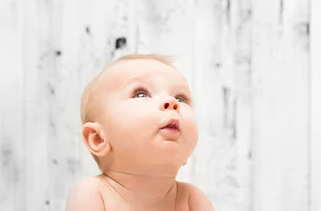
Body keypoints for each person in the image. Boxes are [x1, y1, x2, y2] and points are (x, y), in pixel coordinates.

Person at [65, 54, 215, 210]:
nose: (172, 103)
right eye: (141, 94)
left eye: (180, 98)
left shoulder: (193, 199)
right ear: (98, 139)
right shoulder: (92, 192)